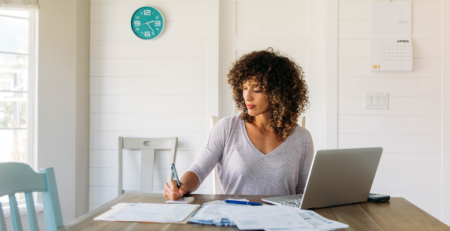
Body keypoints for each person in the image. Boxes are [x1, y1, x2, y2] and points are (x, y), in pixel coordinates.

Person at [164, 48, 314, 200]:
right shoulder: (227, 128)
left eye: (257, 89)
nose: (247, 97)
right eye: (244, 88)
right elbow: (198, 171)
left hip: (283, 220)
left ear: (279, 93)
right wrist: (181, 185)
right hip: (234, 218)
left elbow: (303, 192)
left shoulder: (301, 137)